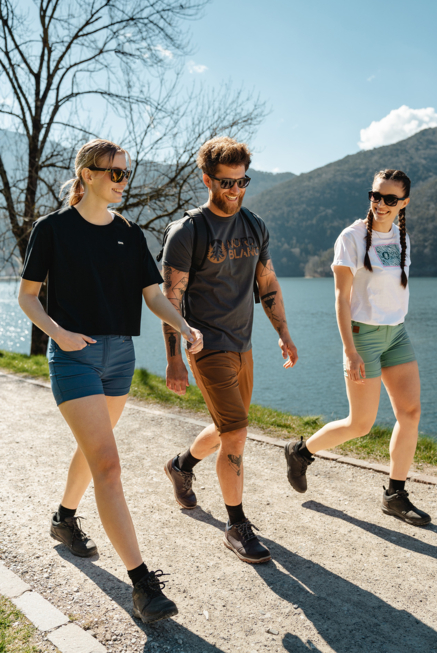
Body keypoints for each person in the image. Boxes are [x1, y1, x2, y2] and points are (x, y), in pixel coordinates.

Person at [18, 139, 203, 623]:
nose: (123, 180)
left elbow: (153, 295)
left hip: (120, 356)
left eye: (126, 172)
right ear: (86, 175)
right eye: (115, 173)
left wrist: (183, 326)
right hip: (73, 356)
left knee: (92, 453)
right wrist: (58, 332)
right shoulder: (53, 229)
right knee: (110, 466)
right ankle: (142, 584)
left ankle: (63, 518)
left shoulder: (129, 232)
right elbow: (28, 297)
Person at [160, 136, 299, 563]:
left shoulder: (255, 225)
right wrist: (174, 358)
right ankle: (236, 524)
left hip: (244, 342)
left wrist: (285, 333)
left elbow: (268, 284)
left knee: (227, 427)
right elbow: (171, 298)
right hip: (208, 346)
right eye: (226, 183)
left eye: (243, 182)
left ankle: (181, 466)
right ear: (207, 179)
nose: (235, 191)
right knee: (237, 432)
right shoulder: (187, 231)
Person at [285, 169, 431, 526]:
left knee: (410, 413)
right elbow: (341, 298)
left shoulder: (402, 238)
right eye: (375, 195)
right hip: (363, 337)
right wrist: (350, 350)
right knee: (361, 424)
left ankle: (395, 494)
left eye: (390, 199)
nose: (380, 204)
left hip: (396, 334)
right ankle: (301, 452)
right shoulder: (351, 237)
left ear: (404, 203)